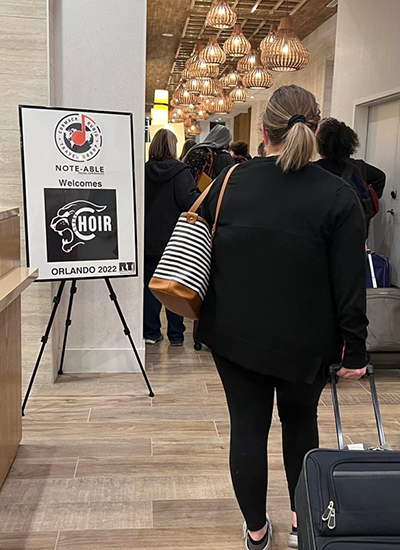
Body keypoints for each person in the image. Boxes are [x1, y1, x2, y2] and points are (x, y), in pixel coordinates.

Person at [196, 85, 369, 550]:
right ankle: (300, 522)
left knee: (247, 428)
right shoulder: (339, 196)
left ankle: (256, 532)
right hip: (306, 341)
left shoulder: (229, 181)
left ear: (263, 130)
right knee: (300, 423)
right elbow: (350, 283)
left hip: (235, 332)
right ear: (316, 129)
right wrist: (355, 348)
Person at [143, 129, 201, 346]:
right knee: (173, 288)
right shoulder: (180, 171)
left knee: (149, 288)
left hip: (147, 240)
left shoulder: (143, 170)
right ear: (172, 147)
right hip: (174, 241)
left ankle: (151, 332)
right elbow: (190, 202)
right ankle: (176, 335)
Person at [315, 117, 386, 229]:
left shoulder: (314, 169)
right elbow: (380, 177)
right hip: (355, 228)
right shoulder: (359, 167)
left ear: (321, 144)